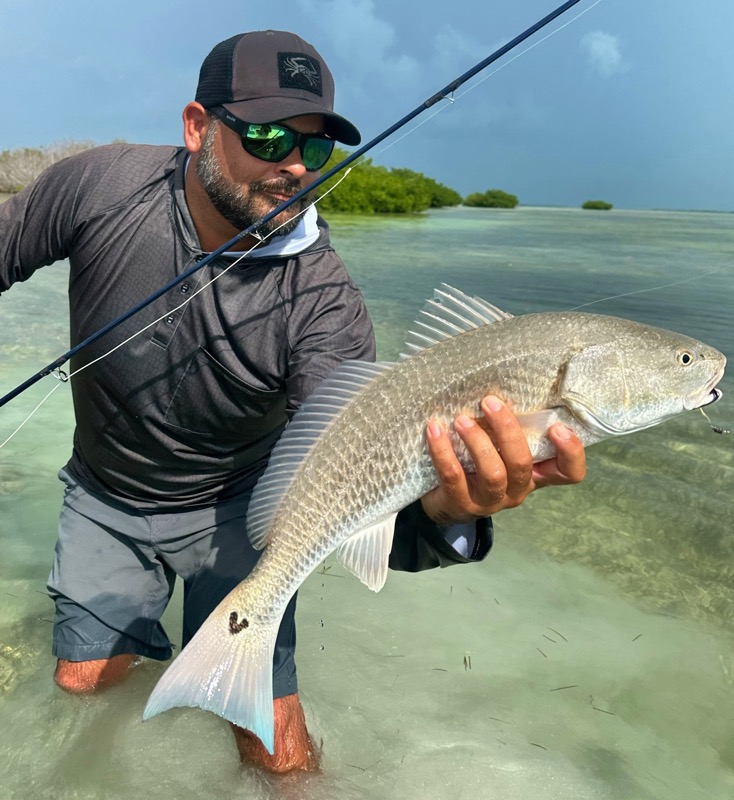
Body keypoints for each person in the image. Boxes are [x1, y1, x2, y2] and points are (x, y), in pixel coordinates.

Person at [0, 30, 586, 773]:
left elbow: (358, 484)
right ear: (196, 127)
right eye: (270, 136)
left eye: (315, 150)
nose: (294, 168)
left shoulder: (327, 306)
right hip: (106, 493)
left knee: (277, 750)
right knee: (83, 689)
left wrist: (449, 512)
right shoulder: (97, 187)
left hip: (244, 507)